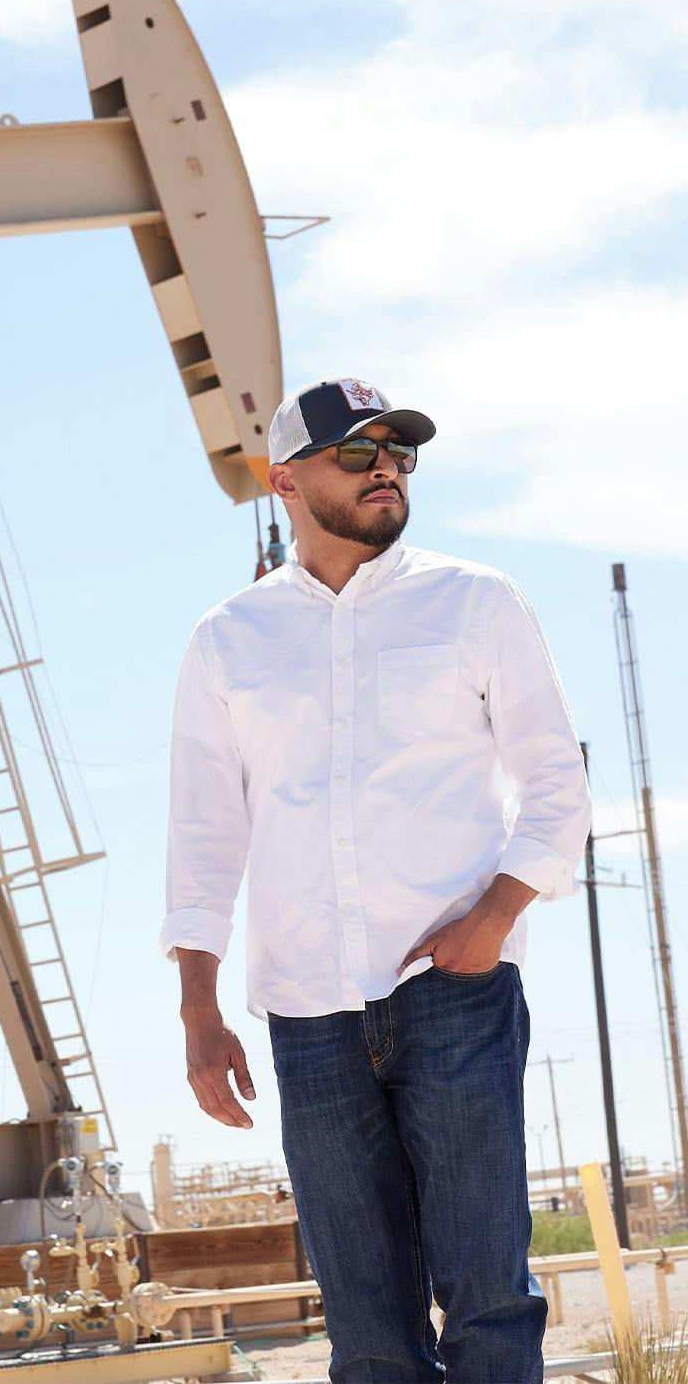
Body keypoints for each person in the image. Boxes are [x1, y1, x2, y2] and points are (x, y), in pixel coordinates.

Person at [162, 377, 591, 1383]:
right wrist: (196, 1005)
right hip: (306, 1018)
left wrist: (490, 918)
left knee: (488, 1302)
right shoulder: (226, 640)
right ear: (285, 480)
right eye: (356, 454)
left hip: (455, 991)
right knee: (364, 1333)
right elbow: (200, 831)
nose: (385, 468)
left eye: (398, 452)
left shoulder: (476, 602)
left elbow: (553, 781)